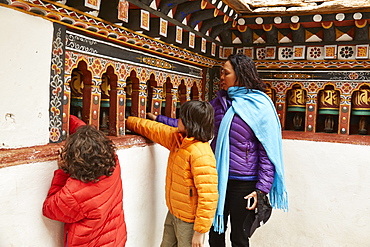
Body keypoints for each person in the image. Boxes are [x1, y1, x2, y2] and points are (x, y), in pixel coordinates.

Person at [209, 54, 288, 247]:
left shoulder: (259, 106)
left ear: (240, 75)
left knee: (239, 238)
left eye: (226, 73)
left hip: (244, 185)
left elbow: (267, 152)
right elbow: (194, 126)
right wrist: (157, 120)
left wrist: (261, 189)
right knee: (215, 235)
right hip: (217, 179)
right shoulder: (218, 104)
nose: (221, 77)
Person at [126, 100, 218, 247]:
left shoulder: (201, 154)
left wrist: (200, 232)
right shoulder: (178, 140)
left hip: (189, 222)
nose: (178, 119)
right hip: (174, 212)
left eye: (181, 117)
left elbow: (209, 197)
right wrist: (128, 121)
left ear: (190, 122)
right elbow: (154, 129)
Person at [43, 116, 127, 247]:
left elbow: (50, 209)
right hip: (115, 240)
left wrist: (63, 171)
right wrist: (67, 117)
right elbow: (87, 134)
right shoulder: (113, 165)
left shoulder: (74, 192)